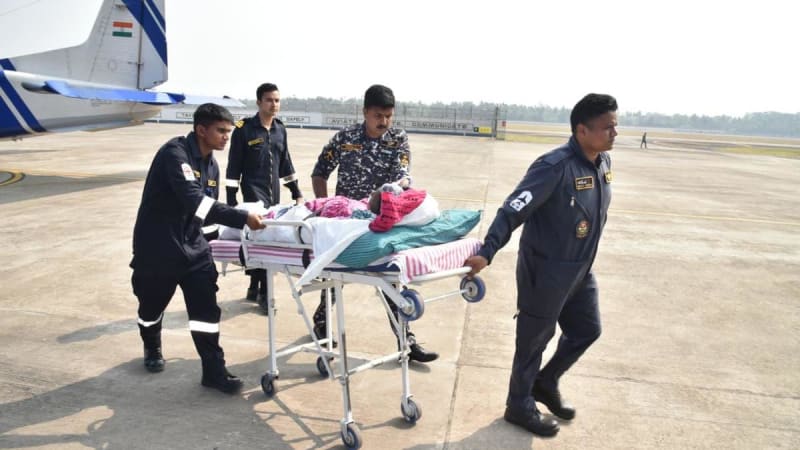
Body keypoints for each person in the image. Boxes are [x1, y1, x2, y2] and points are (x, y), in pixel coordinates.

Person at [464, 93, 618, 437]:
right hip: (545, 273)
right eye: (608, 127)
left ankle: (545, 383)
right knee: (533, 342)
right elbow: (512, 209)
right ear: (581, 130)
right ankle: (518, 405)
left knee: (587, 330)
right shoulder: (554, 166)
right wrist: (487, 251)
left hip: (580, 270)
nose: (614, 134)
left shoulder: (603, 163)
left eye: (615, 126)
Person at [131, 103, 266, 394]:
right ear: (201, 129)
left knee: (206, 311)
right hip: (158, 248)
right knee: (150, 308)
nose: (226, 137)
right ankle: (152, 344)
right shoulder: (174, 155)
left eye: (228, 132)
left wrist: (212, 246)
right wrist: (242, 219)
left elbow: (205, 214)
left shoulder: (211, 163)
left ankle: (213, 370)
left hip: (194, 249)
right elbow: (196, 201)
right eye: (220, 131)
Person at [310, 84, 438, 363]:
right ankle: (321, 327)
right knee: (333, 278)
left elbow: (403, 176)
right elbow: (319, 172)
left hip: (381, 223)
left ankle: (406, 340)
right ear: (365, 112)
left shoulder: (397, 140)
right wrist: (325, 209)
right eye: (378, 115)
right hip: (346, 222)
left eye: (389, 116)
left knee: (391, 280)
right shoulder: (344, 139)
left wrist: (396, 190)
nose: (384, 122)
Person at [225, 83, 304, 312]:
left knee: (265, 240)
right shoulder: (244, 129)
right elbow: (234, 166)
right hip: (252, 194)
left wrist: (296, 190)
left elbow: (286, 163)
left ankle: (253, 286)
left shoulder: (280, 129)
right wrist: (231, 200)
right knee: (261, 238)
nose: (274, 104)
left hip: (274, 196)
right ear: (259, 102)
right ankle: (265, 294)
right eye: (269, 100)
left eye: (277, 100)